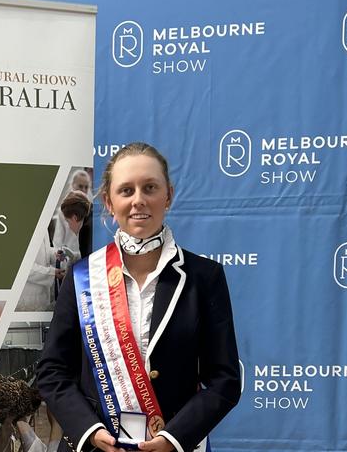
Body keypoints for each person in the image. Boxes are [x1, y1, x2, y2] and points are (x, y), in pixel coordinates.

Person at [37, 143, 240, 452]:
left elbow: (225, 379)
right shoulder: (82, 277)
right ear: (108, 200)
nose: (138, 200)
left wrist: (174, 437)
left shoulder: (204, 277)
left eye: (150, 188)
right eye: (126, 190)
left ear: (168, 195)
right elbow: (52, 371)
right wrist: (89, 430)